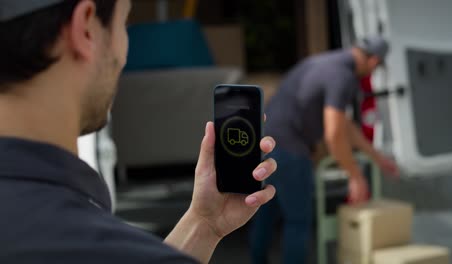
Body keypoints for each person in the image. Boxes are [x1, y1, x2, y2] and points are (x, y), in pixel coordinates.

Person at [0, 1, 278, 263]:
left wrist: (202, 224)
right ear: (86, 29)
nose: (123, 54)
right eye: (125, 23)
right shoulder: (92, 246)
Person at [249, 36, 400, 264]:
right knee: (298, 221)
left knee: (264, 214)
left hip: (264, 144)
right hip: (290, 149)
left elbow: (345, 125)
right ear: (374, 61)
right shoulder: (344, 76)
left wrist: (377, 158)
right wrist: (355, 175)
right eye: (377, 68)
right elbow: (334, 134)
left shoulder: (326, 62)